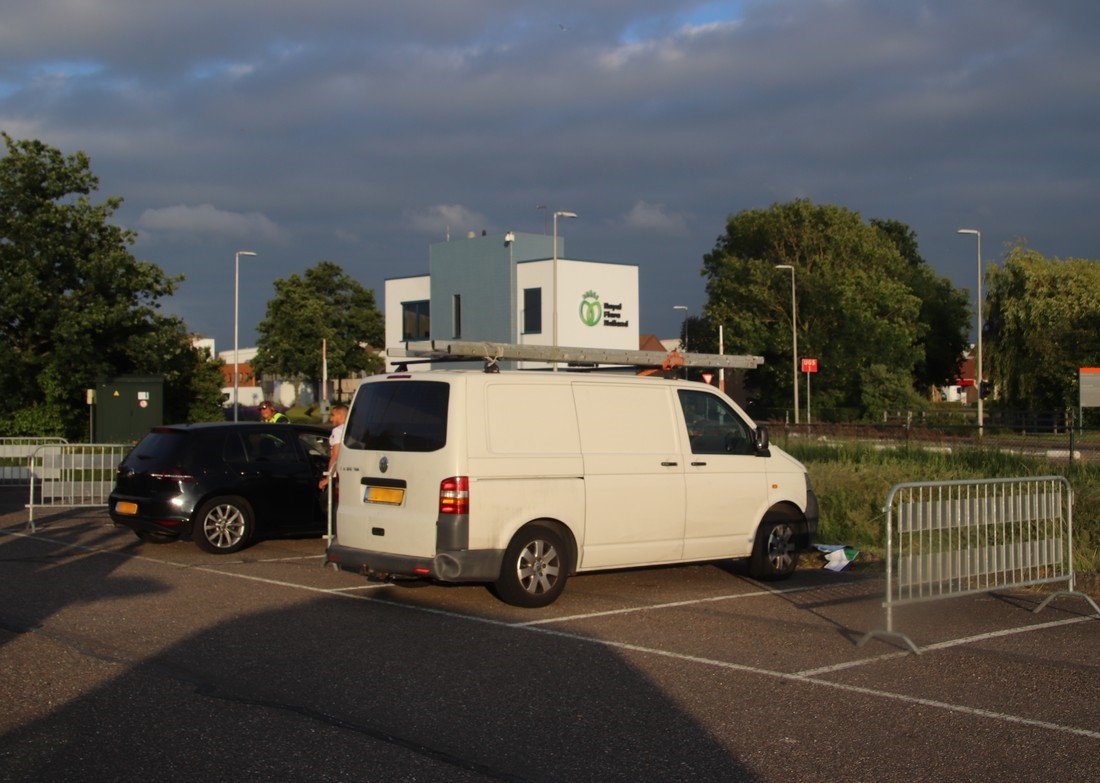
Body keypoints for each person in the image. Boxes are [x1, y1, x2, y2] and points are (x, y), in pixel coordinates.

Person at [319, 403, 347, 491]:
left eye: (332, 415)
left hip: (339, 473)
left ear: (340, 415)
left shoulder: (338, 430)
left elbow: (336, 455)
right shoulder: (352, 429)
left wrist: (328, 478)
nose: (331, 419)